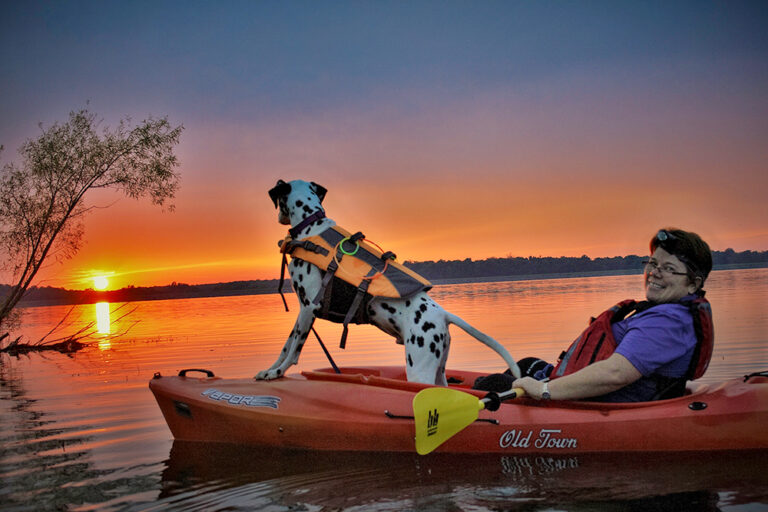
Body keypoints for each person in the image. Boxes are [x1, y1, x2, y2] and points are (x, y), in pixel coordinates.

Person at [505, 228, 713, 403]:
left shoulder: (669, 323)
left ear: (693, 284)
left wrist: (544, 391)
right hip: (595, 398)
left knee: (493, 385)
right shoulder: (668, 313)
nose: (655, 272)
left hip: (602, 406)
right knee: (527, 365)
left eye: (668, 268)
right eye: (653, 263)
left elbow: (615, 374)